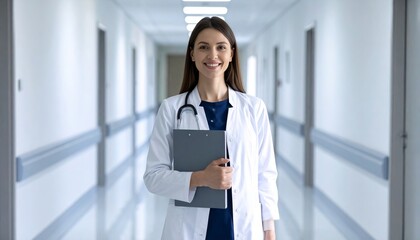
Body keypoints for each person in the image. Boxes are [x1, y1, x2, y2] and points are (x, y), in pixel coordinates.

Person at [143, 16, 279, 240]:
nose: (213, 55)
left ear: (232, 54)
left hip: (242, 228)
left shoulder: (254, 109)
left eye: (221, 47)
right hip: (188, 229)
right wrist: (200, 178)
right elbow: (153, 177)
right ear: (192, 54)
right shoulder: (171, 109)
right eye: (204, 47)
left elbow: (265, 174)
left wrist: (269, 228)